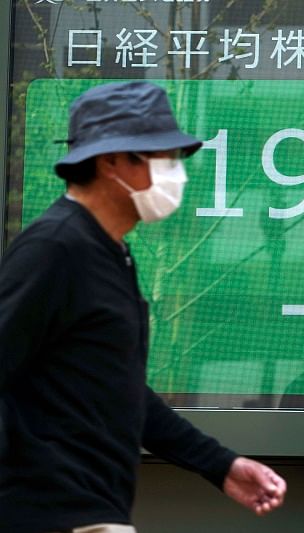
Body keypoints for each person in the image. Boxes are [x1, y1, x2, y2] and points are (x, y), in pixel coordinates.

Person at [0, 81, 286, 533]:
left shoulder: (111, 254)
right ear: (111, 160)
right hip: (51, 515)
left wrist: (221, 466)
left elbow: (122, 390)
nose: (176, 173)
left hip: (94, 513)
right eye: (161, 157)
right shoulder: (55, 248)